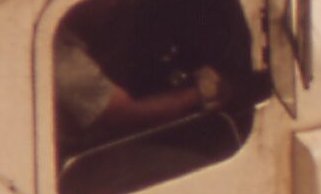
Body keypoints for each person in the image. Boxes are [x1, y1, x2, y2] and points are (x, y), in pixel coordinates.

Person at [54, 26, 223, 148]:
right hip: (90, 160)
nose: (114, 1)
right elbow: (128, 116)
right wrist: (201, 93)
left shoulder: (64, 36)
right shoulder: (64, 64)